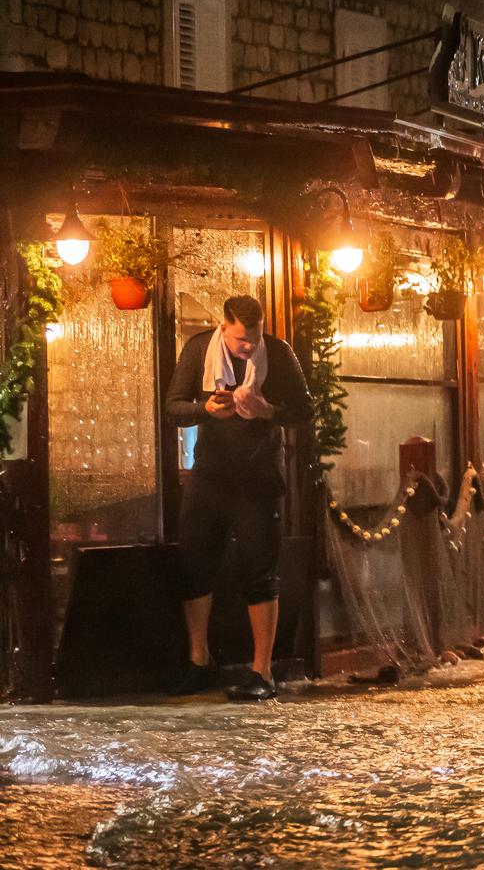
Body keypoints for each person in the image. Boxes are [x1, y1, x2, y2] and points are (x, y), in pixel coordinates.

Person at [163, 295, 313, 701]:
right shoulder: (198, 349)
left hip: (259, 476)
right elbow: (173, 407)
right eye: (241, 340)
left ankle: (261, 671)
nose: (248, 347)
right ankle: (199, 661)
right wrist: (205, 409)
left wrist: (267, 411)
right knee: (193, 563)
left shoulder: (279, 354)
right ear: (223, 328)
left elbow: (305, 411)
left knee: (259, 570)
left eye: (255, 338)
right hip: (209, 473)